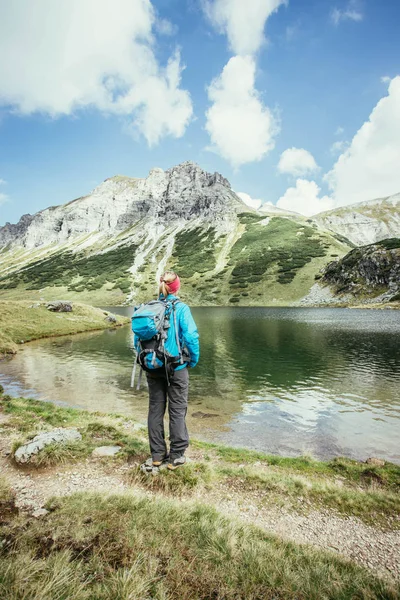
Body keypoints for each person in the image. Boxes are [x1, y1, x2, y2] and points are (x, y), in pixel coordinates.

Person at [138, 271, 199, 471]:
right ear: (176, 287)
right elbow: (190, 336)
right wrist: (193, 359)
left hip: (152, 365)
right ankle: (176, 456)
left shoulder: (147, 308)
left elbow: (136, 341)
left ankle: (156, 455)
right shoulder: (181, 308)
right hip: (176, 366)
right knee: (177, 409)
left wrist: (148, 359)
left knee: (155, 408)